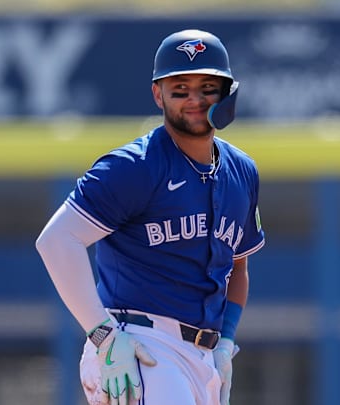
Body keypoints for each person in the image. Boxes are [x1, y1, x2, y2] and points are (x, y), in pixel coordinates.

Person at [35, 29, 265, 405]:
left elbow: (237, 268)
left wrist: (225, 341)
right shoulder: (133, 166)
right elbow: (56, 240)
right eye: (180, 88)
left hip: (203, 358)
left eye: (208, 87)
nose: (195, 99)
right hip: (140, 347)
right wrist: (103, 335)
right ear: (158, 94)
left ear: (227, 92)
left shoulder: (242, 171)